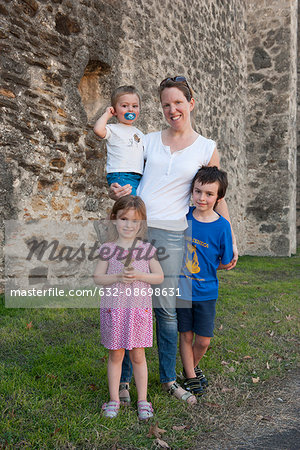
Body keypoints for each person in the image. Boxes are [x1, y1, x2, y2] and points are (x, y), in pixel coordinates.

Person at [109, 76, 238, 406]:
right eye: (166, 104)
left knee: (166, 312)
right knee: (128, 307)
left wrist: (231, 234)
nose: (172, 109)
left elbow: (217, 194)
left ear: (190, 103)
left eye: (178, 102)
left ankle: (167, 378)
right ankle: (123, 380)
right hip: (136, 231)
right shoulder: (147, 140)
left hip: (172, 235)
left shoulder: (205, 147)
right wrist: (117, 189)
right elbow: (127, 176)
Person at [93, 195, 164, 419]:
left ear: (141, 223)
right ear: (115, 220)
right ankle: (114, 399)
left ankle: (143, 400)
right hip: (115, 311)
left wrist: (141, 275)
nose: (128, 225)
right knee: (115, 355)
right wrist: (116, 277)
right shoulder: (108, 249)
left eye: (134, 221)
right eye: (123, 219)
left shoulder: (146, 249)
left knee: (138, 356)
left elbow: (159, 276)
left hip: (138, 312)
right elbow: (97, 278)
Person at [176, 166, 233, 396]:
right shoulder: (183, 218)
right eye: (198, 191)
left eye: (209, 194)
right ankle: (190, 377)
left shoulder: (222, 226)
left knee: (204, 340)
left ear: (219, 197)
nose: (202, 198)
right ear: (192, 191)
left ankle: (191, 367)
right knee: (186, 335)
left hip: (207, 291)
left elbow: (225, 261)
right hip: (182, 289)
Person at [93, 85, 144, 195]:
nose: (130, 109)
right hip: (121, 174)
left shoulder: (140, 134)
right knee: (130, 204)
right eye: (125, 106)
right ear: (115, 110)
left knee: (136, 206)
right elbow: (98, 130)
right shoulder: (113, 129)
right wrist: (107, 115)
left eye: (135, 106)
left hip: (138, 175)